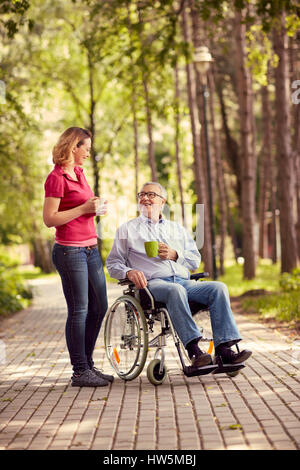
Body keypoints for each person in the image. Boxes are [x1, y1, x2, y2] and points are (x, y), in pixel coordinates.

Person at [106, 182, 252, 368]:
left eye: (151, 194)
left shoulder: (178, 229)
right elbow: (112, 264)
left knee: (218, 288)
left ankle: (224, 351)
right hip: (153, 285)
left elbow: (194, 260)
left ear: (163, 201)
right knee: (175, 290)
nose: (145, 198)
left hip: (185, 282)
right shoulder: (127, 230)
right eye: (141, 194)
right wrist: (129, 271)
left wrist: (175, 255)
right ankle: (194, 351)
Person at [43, 127, 114, 387]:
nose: (89, 152)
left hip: (90, 249)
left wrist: (94, 207)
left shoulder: (80, 173)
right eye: (86, 147)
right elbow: (50, 218)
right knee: (80, 310)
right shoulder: (56, 177)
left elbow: (81, 206)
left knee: (99, 306)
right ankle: (80, 370)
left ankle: (88, 365)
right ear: (74, 146)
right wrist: (84, 208)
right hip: (69, 251)